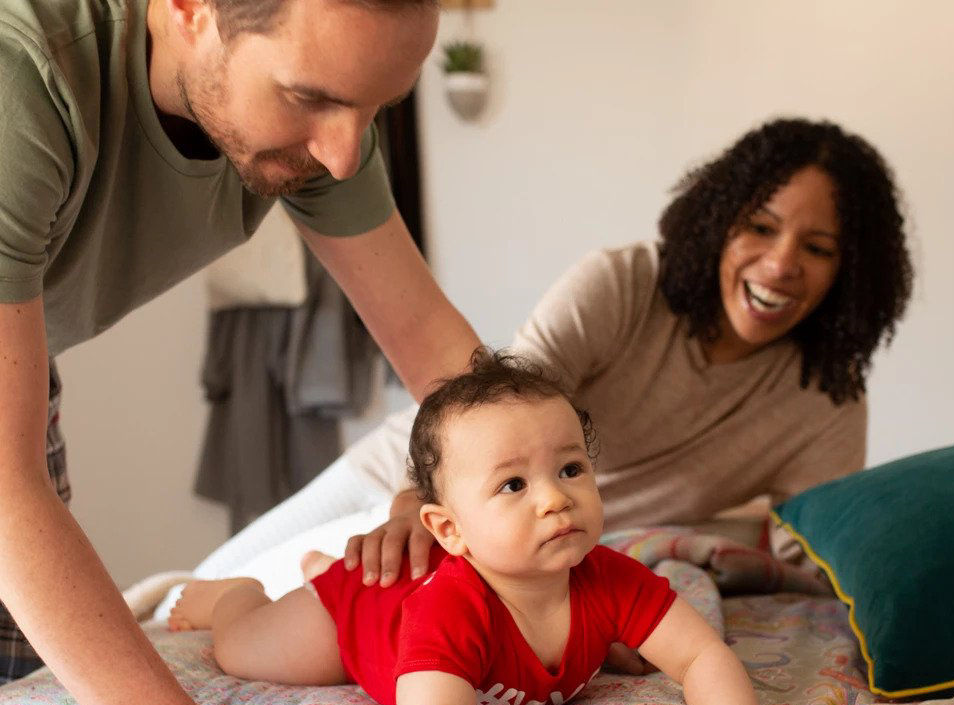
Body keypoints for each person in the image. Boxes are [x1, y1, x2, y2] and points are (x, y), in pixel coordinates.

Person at [0, 0, 480, 705]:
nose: (343, 153)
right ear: (190, 10)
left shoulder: (323, 117)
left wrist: (457, 487)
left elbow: (442, 358)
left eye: (371, 108)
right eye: (310, 98)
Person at [183, 117, 913, 605]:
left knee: (255, 610)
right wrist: (414, 505)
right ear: (720, 222)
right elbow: (490, 407)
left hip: (531, 550)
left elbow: (819, 554)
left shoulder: (827, 398)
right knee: (204, 589)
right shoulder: (624, 283)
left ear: (850, 274)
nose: (781, 264)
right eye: (760, 227)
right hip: (412, 472)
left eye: (818, 250)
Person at [169, 350, 775, 705]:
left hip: (413, 587)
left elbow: (701, 656)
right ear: (448, 530)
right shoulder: (451, 609)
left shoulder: (611, 578)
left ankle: (321, 569)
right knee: (240, 649)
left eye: (570, 468)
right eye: (513, 485)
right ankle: (233, 594)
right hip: (360, 614)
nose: (554, 500)